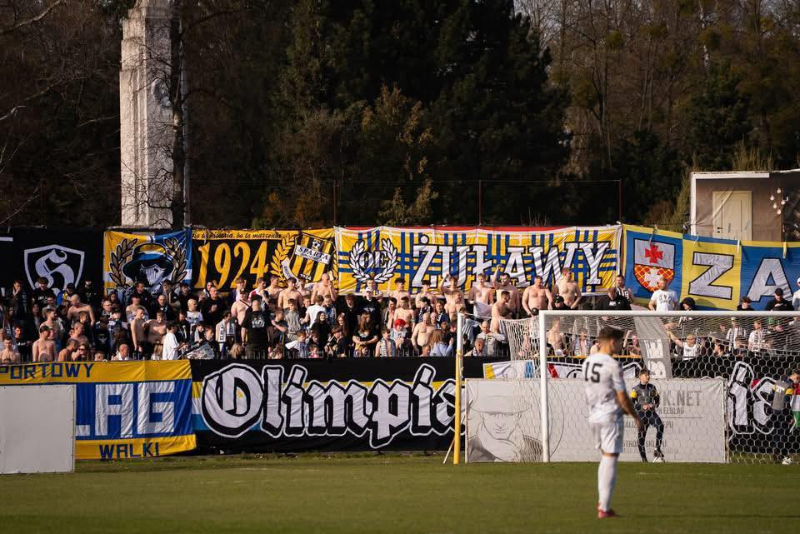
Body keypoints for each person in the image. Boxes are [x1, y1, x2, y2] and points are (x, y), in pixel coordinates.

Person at [582, 326, 643, 519]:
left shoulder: (587, 362)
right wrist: (635, 415)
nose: (620, 345)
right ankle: (605, 508)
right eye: (619, 342)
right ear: (611, 342)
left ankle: (603, 503)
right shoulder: (612, 364)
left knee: (605, 457)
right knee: (610, 458)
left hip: (594, 416)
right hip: (610, 416)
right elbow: (623, 396)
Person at [629, 369, 665, 463]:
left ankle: (657, 449)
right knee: (641, 437)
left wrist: (654, 405)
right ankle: (644, 460)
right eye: (645, 375)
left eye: (648, 375)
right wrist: (641, 406)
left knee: (660, 425)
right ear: (640, 377)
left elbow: (657, 400)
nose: (648, 377)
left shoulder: (652, 388)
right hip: (641, 415)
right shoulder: (635, 389)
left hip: (651, 413)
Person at [771, 370, 800, 465]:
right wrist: (790, 416)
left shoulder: (779, 381)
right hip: (782, 411)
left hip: (774, 410)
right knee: (783, 434)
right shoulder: (789, 386)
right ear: (796, 377)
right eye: (798, 381)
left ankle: (775, 450)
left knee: (776, 431)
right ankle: (783, 456)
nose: (797, 383)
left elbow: (771, 395)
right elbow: (787, 402)